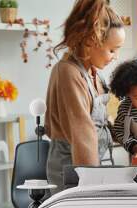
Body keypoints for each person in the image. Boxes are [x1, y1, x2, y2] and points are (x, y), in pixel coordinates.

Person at [44, 0, 125, 192]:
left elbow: (103, 122)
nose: (116, 56)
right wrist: (90, 191)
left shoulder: (94, 73)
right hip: (75, 176)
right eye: (112, 50)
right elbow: (84, 136)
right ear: (91, 41)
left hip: (94, 169)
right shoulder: (68, 73)